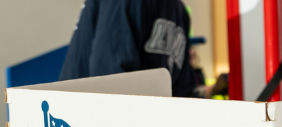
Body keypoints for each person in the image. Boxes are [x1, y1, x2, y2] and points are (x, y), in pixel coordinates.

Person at [60, 0, 197, 97]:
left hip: (142, 120)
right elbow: (110, 78)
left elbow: (183, 89)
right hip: (85, 118)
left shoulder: (180, 11)